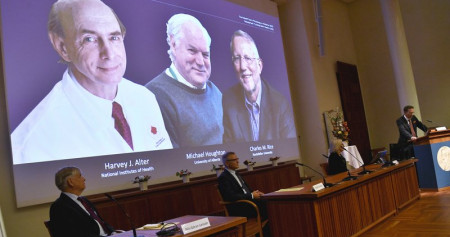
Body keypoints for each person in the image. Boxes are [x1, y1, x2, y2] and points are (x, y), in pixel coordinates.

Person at [11, 0, 172, 164]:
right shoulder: (32, 145)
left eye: (114, 37)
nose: (109, 54)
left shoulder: (144, 98)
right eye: (89, 39)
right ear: (63, 47)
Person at [145, 14, 223, 148]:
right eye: (192, 51)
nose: (200, 62)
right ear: (174, 45)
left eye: (205, 55)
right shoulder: (153, 95)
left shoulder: (215, 92)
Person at [223, 30, 296, 142]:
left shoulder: (280, 105)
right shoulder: (227, 102)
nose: (242, 67)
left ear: (260, 66)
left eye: (248, 58)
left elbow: (289, 149)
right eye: (237, 59)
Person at [50, 167, 116, 237]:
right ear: (70, 182)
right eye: (80, 176)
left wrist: (113, 232)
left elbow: (100, 222)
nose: (84, 179)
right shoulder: (59, 207)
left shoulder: (84, 200)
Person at [217, 152, 266, 219]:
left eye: (237, 159)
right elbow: (230, 196)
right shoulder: (224, 177)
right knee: (266, 205)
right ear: (227, 163)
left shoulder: (236, 173)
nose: (238, 161)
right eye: (234, 160)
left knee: (267, 200)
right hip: (240, 206)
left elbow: (246, 189)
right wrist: (251, 195)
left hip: (248, 201)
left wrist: (256, 193)